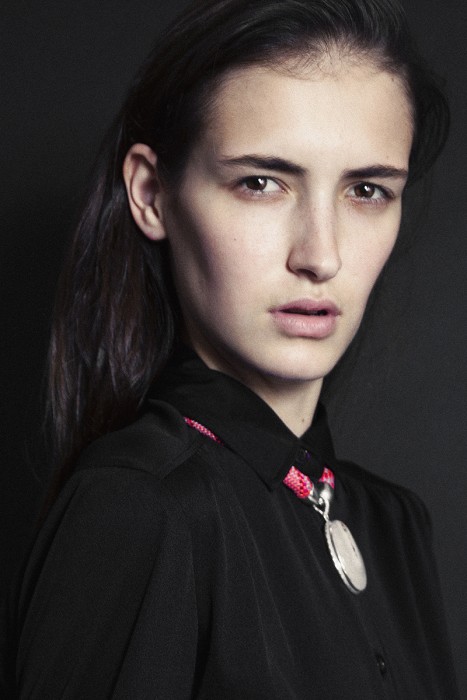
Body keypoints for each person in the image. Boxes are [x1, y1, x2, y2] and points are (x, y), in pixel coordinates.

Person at [10, 0, 458, 697]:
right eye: (260, 183)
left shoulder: (392, 523)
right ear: (152, 195)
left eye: (367, 190)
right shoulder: (139, 507)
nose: (321, 256)